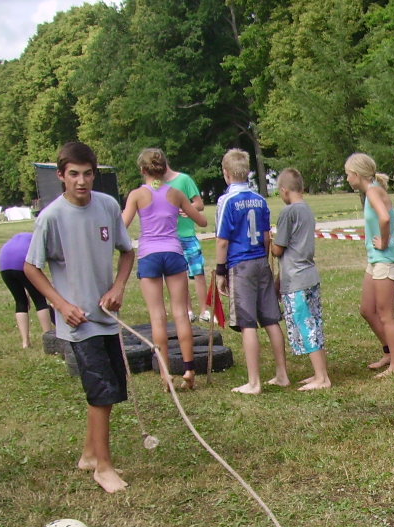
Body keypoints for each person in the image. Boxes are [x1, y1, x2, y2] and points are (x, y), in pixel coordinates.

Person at [24, 141, 133, 494]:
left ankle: (89, 454)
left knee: (110, 390)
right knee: (101, 391)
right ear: (61, 176)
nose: (81, 181)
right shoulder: (51, 217)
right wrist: (61, 305)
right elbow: (31, 267)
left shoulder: (108, 206)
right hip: (79, 323)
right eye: (73, 174)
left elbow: (127, 252)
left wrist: (118, 287)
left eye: (87, 174)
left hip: (106, 316)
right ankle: (104, 467)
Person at [121, 148, 207, 391]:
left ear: (142, 169)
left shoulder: (137, 195)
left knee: (157, 316)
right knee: (180, 313)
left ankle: (165, 374)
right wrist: (182, 209)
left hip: (149, 254)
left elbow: (123, 224)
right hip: (174, 252)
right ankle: (189, 369)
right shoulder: (176, 193)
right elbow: (202, 221)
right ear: (163, 168)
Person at [215, 148, 290, 394]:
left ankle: (254, 382)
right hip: (260, 260)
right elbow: (267, 236)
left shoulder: (226, 201)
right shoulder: (260, 200)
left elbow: (222, 240)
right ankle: (282, 373)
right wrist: (265, 261)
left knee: (247, 323)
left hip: (241, 264)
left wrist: (220, 271)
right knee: (271, 319)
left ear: (226, 173)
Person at [270, 167, 331, 390]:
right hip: (309, 274)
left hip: (296, 279)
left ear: (284, 190)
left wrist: (270, 241)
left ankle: (322, 378)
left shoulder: (288, 212)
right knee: (315, 323)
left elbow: (278, 249)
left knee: (306, 327)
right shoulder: (307, 209)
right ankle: (320, 372)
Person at [347, 152, 394, 378]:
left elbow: (385, 218)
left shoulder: (372, 192)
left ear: (357, 174)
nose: (347, 179)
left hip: (386, 259)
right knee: (367, 310)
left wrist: (384, 241)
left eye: (348, 174)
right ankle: (389, 353)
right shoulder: (371, 190)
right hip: (375, 260)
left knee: (385, 314)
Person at [162, 160, 207, 320]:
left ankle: (204, 310)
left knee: (198, 272)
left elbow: (199, 204)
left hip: (187, 234)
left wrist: (187, 208)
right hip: (170, 236)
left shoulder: (184, 179)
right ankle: (188, 311)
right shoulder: (156, 185)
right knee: (180, 274)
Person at [0, 231, 53, 348]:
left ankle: (25, 342)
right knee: (40, 300)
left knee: (20, 301)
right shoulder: (40, 241)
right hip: (23, 262)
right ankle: (49, 339)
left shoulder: (19, 239)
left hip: (4, 264)